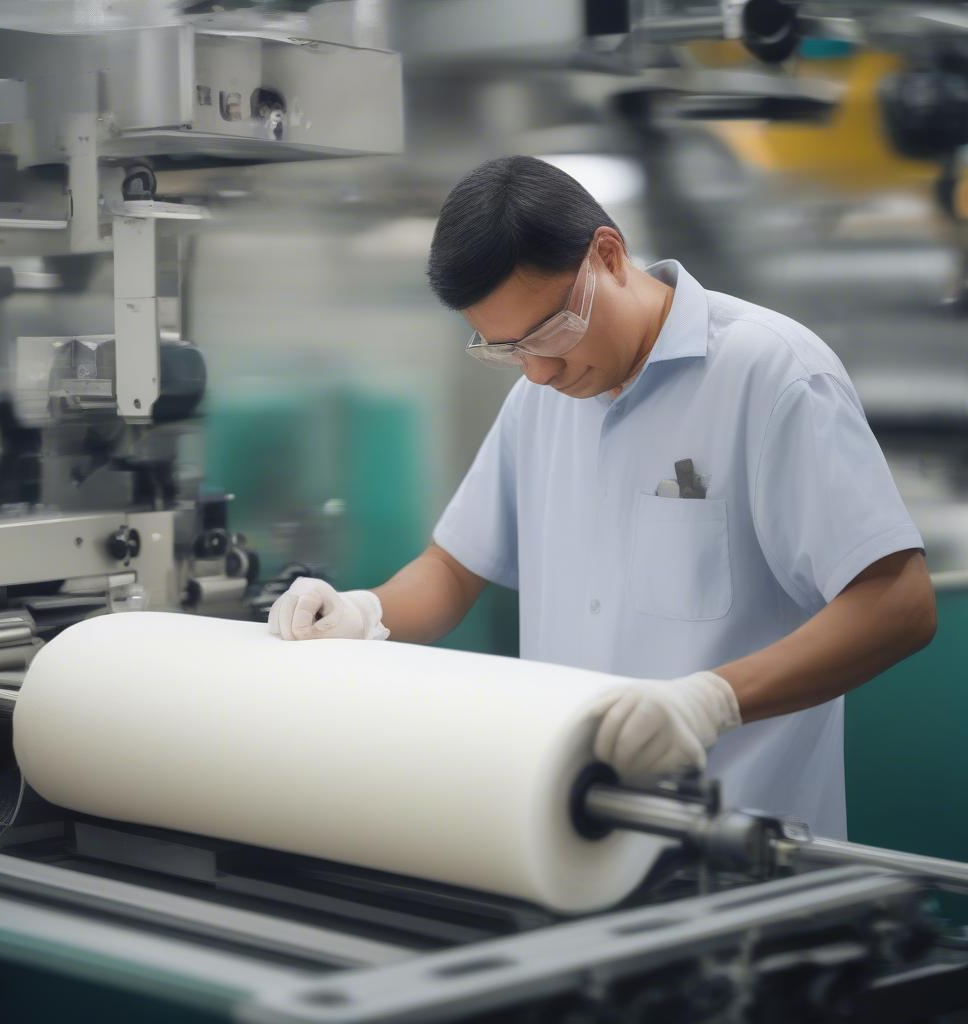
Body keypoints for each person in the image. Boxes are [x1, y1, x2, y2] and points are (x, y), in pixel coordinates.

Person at [268, 155, 936, 837]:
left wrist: (711, 703)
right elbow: (454, 568)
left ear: (608, 255)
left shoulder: (772, 377)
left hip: (740, 863)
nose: (539, 370)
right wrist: (362, 613)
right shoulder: (540, 397)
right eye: (506, 348)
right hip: (570, 846)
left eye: (551, 332)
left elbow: (899, 604)